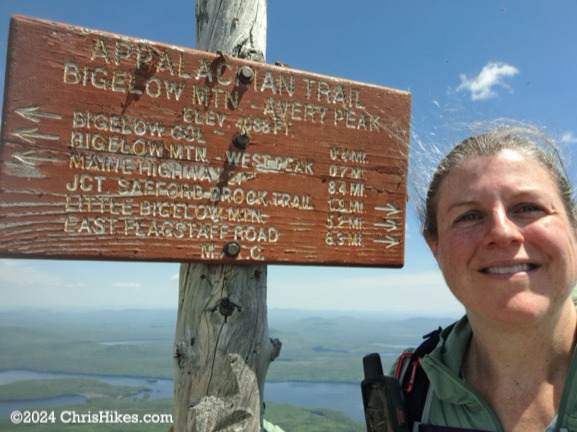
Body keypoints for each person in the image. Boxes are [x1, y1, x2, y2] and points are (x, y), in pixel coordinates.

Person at [400, 124, 577, 432]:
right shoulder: (413, 385)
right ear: (434, 246)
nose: (502, 233)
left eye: (528, 207)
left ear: (574, 230)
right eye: (468, 216)